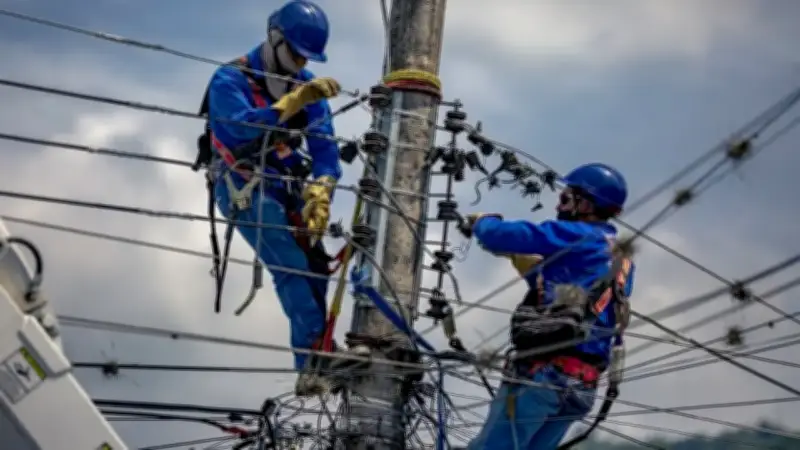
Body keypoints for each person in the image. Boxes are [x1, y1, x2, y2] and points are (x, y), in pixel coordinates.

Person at [202, 0, 344, 396]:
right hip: (242, 187)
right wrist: (291, 104)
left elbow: (325, 149)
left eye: (306, 57)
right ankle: (316, 357)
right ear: (275, 38)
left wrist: (323, 186)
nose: (300, 63)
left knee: (316, 263)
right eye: (296, 52)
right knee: (292, 264)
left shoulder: (307, 85)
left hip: (284, 182)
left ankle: (317, 357)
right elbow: (238, 132)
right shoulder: (230, 79)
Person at [463, 163, 636, 450]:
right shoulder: (621, 259)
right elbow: (579, 296)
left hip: (546, 375)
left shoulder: (577, 234)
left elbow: (511, 234)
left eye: (566, 198)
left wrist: (482, 222)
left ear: (586, 204)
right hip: (583, 387)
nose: (560, 204)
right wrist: (529, 268)